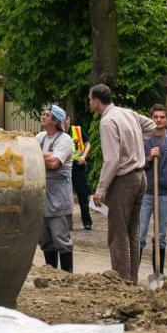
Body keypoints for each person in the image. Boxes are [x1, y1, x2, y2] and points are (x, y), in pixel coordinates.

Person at [88, 84, 156, 283]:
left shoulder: (107, 122)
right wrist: (135, 142)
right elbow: (152, 125)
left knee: (118, 234)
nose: (89, 102)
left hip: (124, 180)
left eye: (90, 99)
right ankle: (132, 279)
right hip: (140, 177)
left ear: (97, 101)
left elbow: (112, 160)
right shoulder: (128, 113)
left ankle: (121, 282)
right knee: (132, 232)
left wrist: (100, 190)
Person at [136, 104, 167, 281]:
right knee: (139, 234)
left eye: (162, 117)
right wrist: (149, 157)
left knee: (160, 236)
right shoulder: (143, 140)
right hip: (146, 193)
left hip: (166, 195)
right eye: (155, 117)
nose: (158, 120)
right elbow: (135, 164)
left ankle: (158, 274)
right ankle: (133, 274)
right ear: (151, 119)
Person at [37, 105, 77, 272]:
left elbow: (54, 163)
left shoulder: (65, 140)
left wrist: (37, 155)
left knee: (61, 239)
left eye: (47, 114)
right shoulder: (40, 137)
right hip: (42, 196)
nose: (43, 116)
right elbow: (26, 153)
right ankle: (51, 274)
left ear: (54, 120)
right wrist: (44, 155)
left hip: (59, 198)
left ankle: (67, 276)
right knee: (45, 239)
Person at [70, 120, 93, 231]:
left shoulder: (76, 130)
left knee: (83, 195)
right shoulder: (59, 132)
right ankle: (67, 222)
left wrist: (84, 156)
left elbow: (88, 143)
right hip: (65, 166)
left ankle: (87, 221)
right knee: (65, 196)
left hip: (78, 165)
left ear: (68, 119)